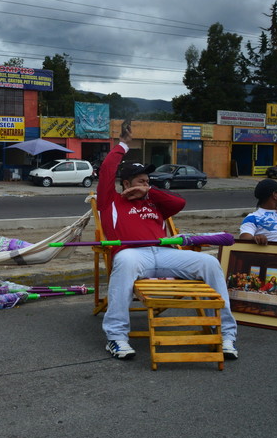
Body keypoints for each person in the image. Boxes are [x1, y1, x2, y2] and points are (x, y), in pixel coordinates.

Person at [96, 121, 238, 360]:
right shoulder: (110, 201)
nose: (146, 183)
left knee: (209, 263)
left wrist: (149, 192)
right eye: (140, 181)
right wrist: (123, 144)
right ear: (126, 184)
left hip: (165, 253)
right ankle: (117, 338)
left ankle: (225, 334)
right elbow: (107, 170)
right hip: (133, 254)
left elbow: (179, 203)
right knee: (126, 262)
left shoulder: (154, 200)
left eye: (147, 180)